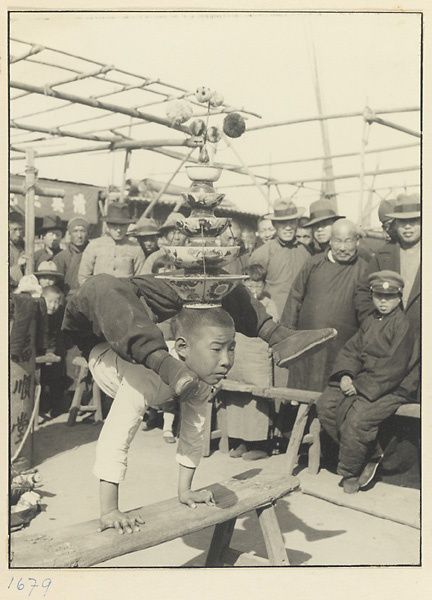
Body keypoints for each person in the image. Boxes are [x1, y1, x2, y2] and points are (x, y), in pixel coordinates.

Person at [89, 307, 236, 532]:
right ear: (182, 348)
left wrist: (185, 490)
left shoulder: (203, 376)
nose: (226, 360)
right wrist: (109, 511)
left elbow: (193, 431)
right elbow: (115, 438)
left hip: (158, 377)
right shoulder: (146, 374)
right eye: (216, 349)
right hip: (103, 358)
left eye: (231, 348)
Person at [316, 271, 419, 494]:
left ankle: (350, 473)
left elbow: (395, 367)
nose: (383, 301)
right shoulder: (370, 320)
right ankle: (371, 453)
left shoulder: (403, 325)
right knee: (326, 404)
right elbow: (352, 351)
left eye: (389, 297)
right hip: (365, 380)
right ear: (372, 296)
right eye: (379, 296)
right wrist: (346, 375)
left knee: (358, 418)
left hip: (394, 386)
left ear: (399, 297)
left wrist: (359, 386)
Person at [281, 219, 368, 392]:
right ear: (330, 241)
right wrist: (286, 340)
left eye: (348, 241)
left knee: (328, 399)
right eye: (337, 241)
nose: (342, 248)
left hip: (341, 350)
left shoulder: (364, 269)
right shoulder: (314, 263)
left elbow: (367, 318)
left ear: (357, 241)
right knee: (297, 398)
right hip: (307, 347)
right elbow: (294, 298)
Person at [226, 264, 279, 461]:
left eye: (258, 283)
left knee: (257, 399)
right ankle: (240, 441)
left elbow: (273, 325)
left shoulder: (269, 303)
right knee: (237, 396)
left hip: (257, 357)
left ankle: (259, 445)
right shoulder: (235, 301)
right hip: (240, 356)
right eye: (249, 282)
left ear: (264, 284)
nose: (254, 286)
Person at [355, 194, 420, 337]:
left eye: (414, 220)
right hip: (389, 339)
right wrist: (375, 325)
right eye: (402, 221)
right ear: (395, 224)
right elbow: (363, 292)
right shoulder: (384, 255)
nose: (408, 226)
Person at [250, 199, 309, 316]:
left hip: (301, 315)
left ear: (297, 223)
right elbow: (253, 289)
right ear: (274, 224)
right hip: (274, 317)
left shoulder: (306, 252)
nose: (288, 227)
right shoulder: (262, 253)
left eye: (292, 222)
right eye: (283, 223)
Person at [78, 203, 145, 285]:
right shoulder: (94, 246)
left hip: (125, 295)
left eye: (123, 225)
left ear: (128, 225)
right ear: (108, 225)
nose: (119, 230)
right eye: (114, 225)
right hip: (99, 295)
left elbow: (140, 279)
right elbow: (83, 277)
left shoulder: (135, 248)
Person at [38, 285, 67, 419]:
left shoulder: (59, 314)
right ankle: (41, 407)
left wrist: (53, 352)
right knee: (41, 379)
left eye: (56, 301)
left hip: (54, 350)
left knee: (56, 377)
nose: (53, 305)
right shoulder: (38, 312)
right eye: (49, 301)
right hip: (39, 350)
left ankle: (56, 407)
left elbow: (57, 336)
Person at [53, 217, 91, 297]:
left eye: (83, 231)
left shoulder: (93, 255)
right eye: (75, 231)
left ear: (88, 234)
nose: (79, 235)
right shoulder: (61, 257)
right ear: (69, 234)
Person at [9, 212, 26, 285]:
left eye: (21, 229)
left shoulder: (28, 248)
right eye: (15, 229)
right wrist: (18, 265)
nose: (18, 234)